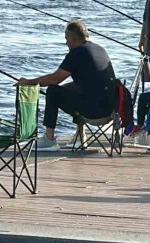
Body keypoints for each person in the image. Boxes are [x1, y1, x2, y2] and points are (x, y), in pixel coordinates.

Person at [17, 20, 116, 152]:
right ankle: (80, 137)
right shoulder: (100, 49)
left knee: (53, 91)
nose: (66, 43)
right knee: (73, 90)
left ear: (74, 38)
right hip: (110, 110)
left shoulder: (76, 53)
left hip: (93, 113)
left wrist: (28, 82)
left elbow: (54, 79)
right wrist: (65, 88)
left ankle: (49, 139)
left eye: (67, 39)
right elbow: (91, 83)